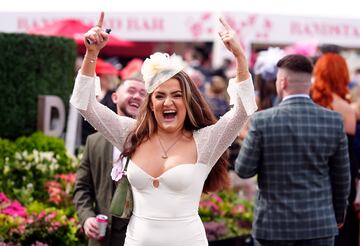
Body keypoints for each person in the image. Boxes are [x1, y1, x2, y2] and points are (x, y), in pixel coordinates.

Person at [70, 12, 257, 246]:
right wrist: (91, 54)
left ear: (187, 103)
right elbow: (85, 105)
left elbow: (243, 111)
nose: (168, 102)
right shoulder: (131, 134)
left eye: (176, 95)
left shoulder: (206, 141)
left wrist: (240, 57)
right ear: (151, 103)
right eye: (160, 96)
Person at [235, 54, 351, 246]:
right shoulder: (333, 120)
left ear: (283, 82)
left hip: (273, 226)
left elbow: (243, 169)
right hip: (319, 223)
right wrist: (338, 215)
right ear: (309, 84)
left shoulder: (262, 121)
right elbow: (342, 177)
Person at [73, 78, 146, 246]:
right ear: (114, 97)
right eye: (131, 91)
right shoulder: (94, 141)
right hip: (101, 238)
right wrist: (86, 217)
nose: (137, 96)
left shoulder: (153, 144)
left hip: (138, 238)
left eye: (143, 94)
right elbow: (82, 187)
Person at [311, 52, 358, 246]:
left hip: (309, 183)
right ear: (343, 75)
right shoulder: (347, 110)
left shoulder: (309, 103)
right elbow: (349, 156)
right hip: (339, 185)